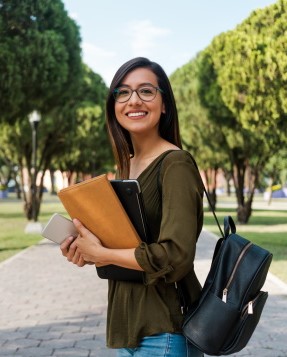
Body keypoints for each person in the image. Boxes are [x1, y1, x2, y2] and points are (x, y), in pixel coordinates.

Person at [60, 57, 204, 357]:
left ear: (164, 104)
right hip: (126, 328)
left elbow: (176, 257)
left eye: (146, 91)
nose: (133, 100)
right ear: (114, 105)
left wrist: (103, 254)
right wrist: (88, 251)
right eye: (123, 92)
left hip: (163, 329)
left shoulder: (175, 163)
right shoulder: (128, 168)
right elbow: (128, 248)